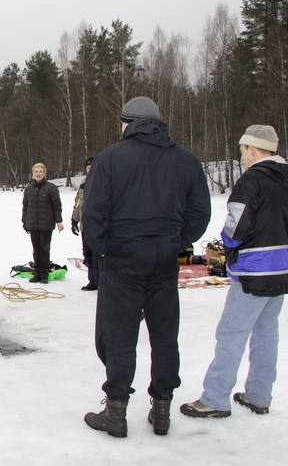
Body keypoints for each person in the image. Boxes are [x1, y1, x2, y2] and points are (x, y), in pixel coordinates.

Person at [81, 97, 211, 438]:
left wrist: (106, 247)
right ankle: (162, 407)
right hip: (164, 257)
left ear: (127, 123)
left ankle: (117, 411)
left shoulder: (110, 158)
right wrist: (177, 241)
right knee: (165, 333)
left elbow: (92, 212)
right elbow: (200, 213)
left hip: (124, 256)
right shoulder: (186, 160)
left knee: (120, 335)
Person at [180, 125, 288, 419]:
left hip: (253, 272)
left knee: (232, 333)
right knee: (267, 332)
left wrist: (228, 245)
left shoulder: (252, 180)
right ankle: (259, 395)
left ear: (252, 149)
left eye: (243, 150)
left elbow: (236, 226)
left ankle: (215, 398)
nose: (242, 156)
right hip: (282, 269)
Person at [21, 163, 64, 284]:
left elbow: (57, 206)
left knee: (45, 249)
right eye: (36, 171)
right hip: (33, 224)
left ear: (44, 173)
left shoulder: (51, 188)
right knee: (36, 249)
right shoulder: (29, 188)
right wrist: (24, 221)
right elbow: (25, 206)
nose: (38, 174)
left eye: (40, 171)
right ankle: (37, 273)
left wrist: (59, 221)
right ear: (33, 173)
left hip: (46, 224)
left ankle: (44, 273)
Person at [71, 157, 98, 291]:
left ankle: (101, 281)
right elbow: (78, 203)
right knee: (87, 254)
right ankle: (92, 281)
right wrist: (74, 220)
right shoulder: (83, 184)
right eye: (87, 168)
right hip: (85, 226)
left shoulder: (102, 182)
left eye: (92, 167)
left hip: (98, 227)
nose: (90, 170)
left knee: (98, 254)